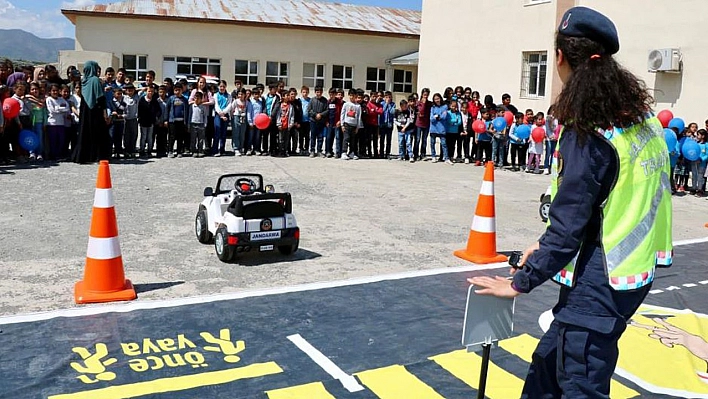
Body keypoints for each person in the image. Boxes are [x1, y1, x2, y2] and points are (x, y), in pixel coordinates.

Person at [469, 7, 673, 398]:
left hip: (601, 284)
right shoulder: (642, 120)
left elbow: (571, 223)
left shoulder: (589, 132)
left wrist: (521, 282)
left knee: (580, 382)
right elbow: (614, 202)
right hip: (631, 272)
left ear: (560, 58)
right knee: (547, 370)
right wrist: (542, 249)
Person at [72, 61, 111, 163]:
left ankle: (84, 156)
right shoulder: (95, 80)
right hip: (95, 111)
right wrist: (105, 114)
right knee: (99, 134)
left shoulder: (84, 80)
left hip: (85, 112)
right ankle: (98, 156)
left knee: (85, 133)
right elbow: (100, 98)